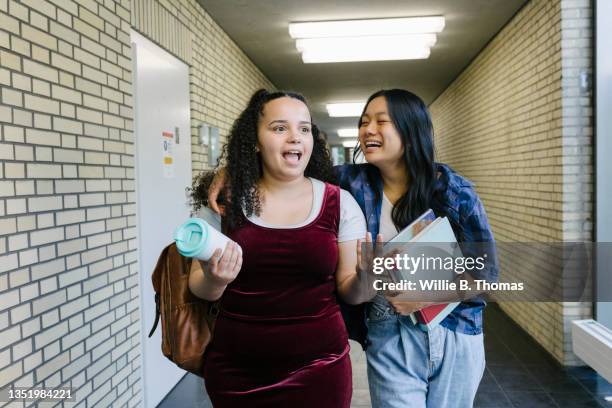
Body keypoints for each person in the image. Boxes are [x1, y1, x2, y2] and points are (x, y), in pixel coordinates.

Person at [208, 89, 498, 408]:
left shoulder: (453, 192)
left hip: (454, 330)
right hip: (387, 329)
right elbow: (286, 170)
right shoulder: (351, 183)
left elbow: (487, 273)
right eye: (364, 122)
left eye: (381, 121)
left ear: (411, 131)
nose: (368, 130)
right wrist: (232, 172)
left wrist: (429, 294)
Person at [188, 89, 373, 407]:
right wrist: (215, 279)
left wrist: (367, 279)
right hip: (238, 372)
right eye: (279, 128)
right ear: (255, 141)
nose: (294, 138)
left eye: (304, 129)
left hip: (321, 369)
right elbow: (199, 287)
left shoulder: (339, 203)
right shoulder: (224, 202)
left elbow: (353, 293)